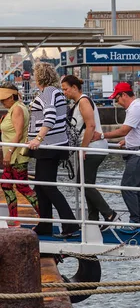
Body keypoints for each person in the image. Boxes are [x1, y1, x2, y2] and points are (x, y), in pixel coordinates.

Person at [27, 62, 79, 238]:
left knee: (48, 186)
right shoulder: (54, 92)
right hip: (52, 145)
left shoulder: (48, 92)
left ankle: (70, 224)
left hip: (49, 146)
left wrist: (38, 138)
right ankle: (45, 225)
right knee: (41, 186)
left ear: (39, 76)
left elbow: (49, 118)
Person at [92, 82, 140, 227]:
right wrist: (128, 140)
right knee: (139, 189)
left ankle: (135, 221)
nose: (117, 102)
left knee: (127, 187)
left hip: (139, 154)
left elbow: (124, 130)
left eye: (117, 98)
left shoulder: (135, 108)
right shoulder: (137, 106)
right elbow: (137, 130)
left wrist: (101, 136)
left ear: (124, 95)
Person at [61, 75, 117, 227]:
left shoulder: (84, 101)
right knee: (87, 184)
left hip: (93, 148)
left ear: (74, 88)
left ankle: (109, 213)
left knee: (82, 183)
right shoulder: (78, 103)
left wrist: (83, 148)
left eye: (65, 89)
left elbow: (90, 126)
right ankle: (93, 220)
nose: (64, 92)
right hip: (91, 148)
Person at [0, 84, 38, 221]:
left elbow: (18, 133)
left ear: (11, 96)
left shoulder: (16, 109)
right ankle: (13, 218)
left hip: (16, 157)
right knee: (6, 184)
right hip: (12, 156)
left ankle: (44, 215)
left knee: (23, 187)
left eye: (4, 99)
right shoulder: (16, 108)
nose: (2, 102)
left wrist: (9, 153)